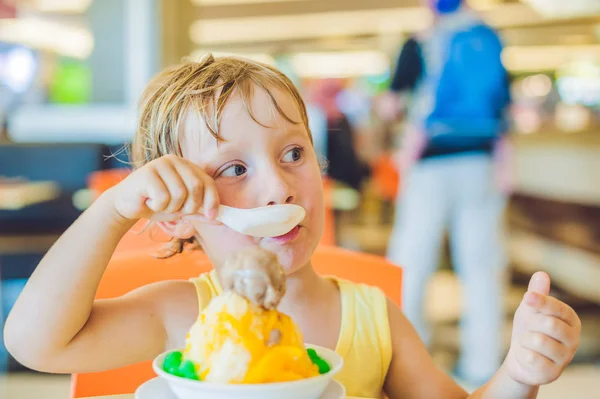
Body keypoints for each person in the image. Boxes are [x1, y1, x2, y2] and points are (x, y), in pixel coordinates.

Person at [5, 55, 580, 399]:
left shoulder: (374, 320)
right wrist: (114, 211)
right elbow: (34, 343)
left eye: (293, 154)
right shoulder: (183, 316)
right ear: (177, 214)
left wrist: (518, 373)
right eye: (234, 169)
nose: (280, 188)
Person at [386, 0, 514, 386]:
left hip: (430, 161)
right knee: (481, 264)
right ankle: (482, 363)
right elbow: (504, 107)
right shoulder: (488, 37)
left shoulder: (422, 41)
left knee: (413, 259)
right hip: (480, 161)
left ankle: (409, 355)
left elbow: (393, 104)